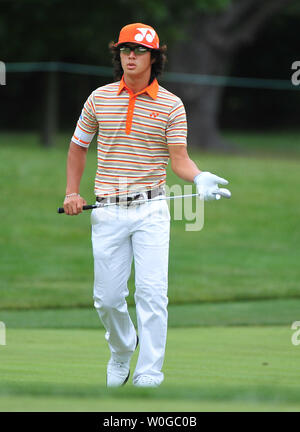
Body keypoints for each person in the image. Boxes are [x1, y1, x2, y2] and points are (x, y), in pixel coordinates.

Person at [63, 23, 231, 388]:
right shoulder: (99, 98)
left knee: (152, 295)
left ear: (154, 58)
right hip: (107, 210)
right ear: (118, 54)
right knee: (107, 299)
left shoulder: (172, 105)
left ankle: (149, 373)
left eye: (139, 51)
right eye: (125, 50)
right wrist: (71, 193)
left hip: (151, 209)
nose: (130, 56)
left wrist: (198, 176)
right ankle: (123, 349)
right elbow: (78, 147)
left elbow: (179, 160)